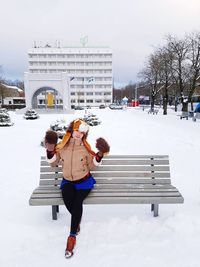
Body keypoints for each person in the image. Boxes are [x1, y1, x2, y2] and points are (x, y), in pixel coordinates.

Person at [44, 118, 110, 258]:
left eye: (82, 133)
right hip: (68, 181)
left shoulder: (85, 149)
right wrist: (50, 150)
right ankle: (77, 220)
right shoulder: (63, 147)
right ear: (71, 131)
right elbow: (54, 163)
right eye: (76, 131)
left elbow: (92, 166)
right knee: (69, 200)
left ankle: (72, 236)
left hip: (84, 181)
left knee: (77, 202)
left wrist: (98, 155)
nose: (79, 134)